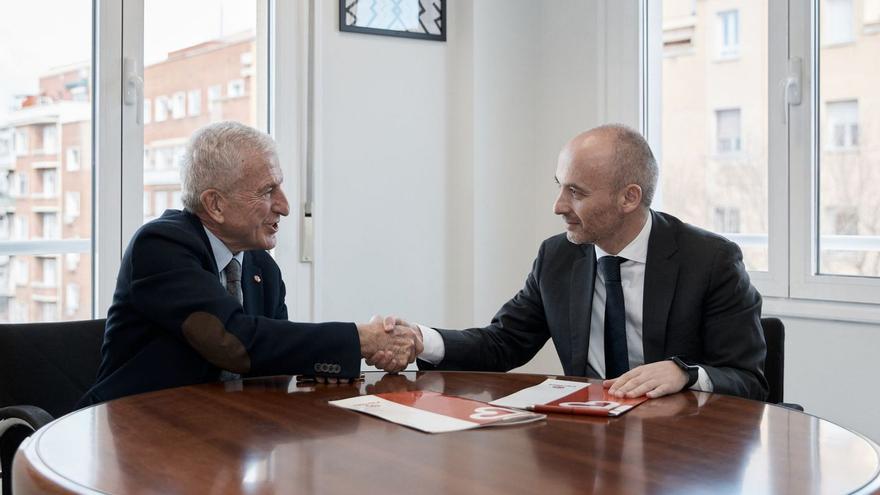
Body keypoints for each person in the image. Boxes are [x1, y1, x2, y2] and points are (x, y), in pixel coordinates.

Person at [389, 124, 767, 400]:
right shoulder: (558, 257)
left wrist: (685, 374)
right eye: (560, 186)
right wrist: (423, 341)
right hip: (585, 443)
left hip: (679, 449)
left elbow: (747, 379)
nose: (558, 206)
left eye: (576, 192)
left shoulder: (710, 260)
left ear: (629, 198)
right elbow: (503, 343)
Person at [79, 121, 419, 406]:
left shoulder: (262, 268)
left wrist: (320, 366)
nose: (285, 207)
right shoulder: (161, 246)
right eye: (268, 191)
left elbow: (270, 358)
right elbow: (234, 342)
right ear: (215, 204)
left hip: (218, 436)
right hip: (130, 431)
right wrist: (360, 339)